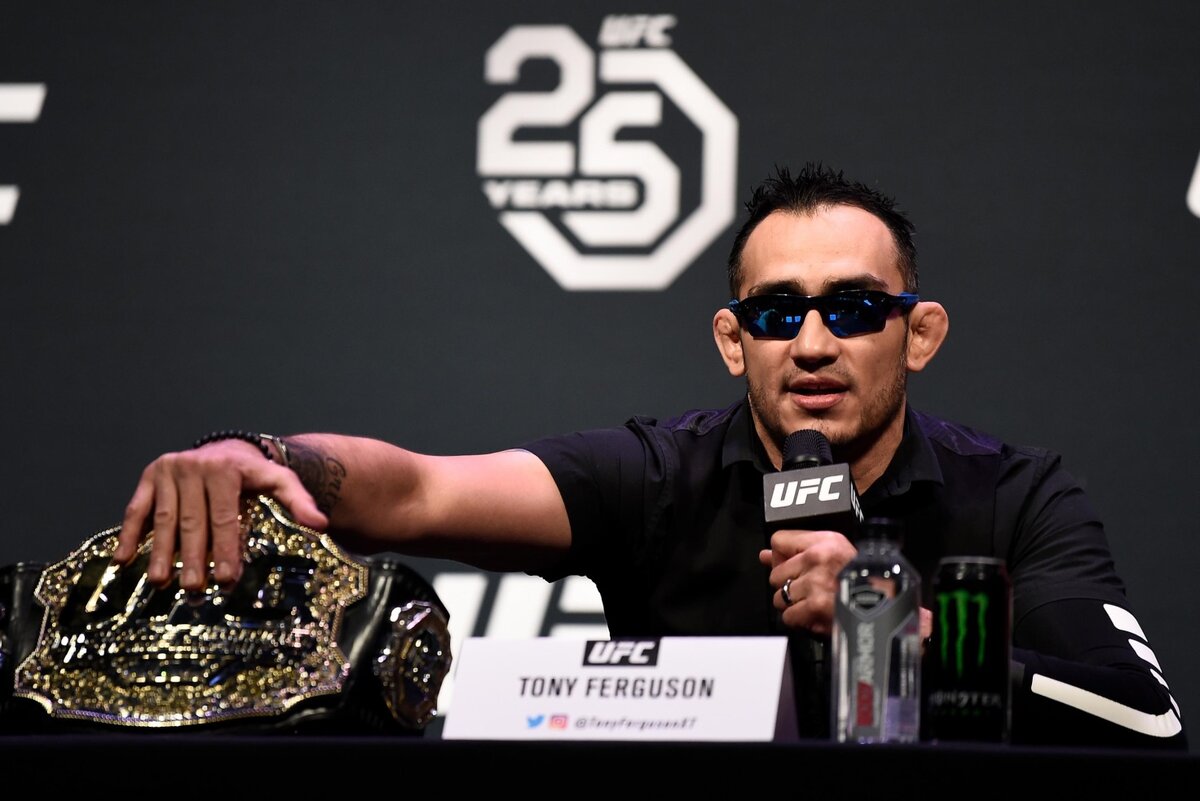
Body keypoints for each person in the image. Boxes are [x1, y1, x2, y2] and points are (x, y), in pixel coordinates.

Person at [116, 163, 1187, 750]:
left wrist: (907, 631)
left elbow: (1142, 716)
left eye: (856, 309)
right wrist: (257, 453)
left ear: (920, 334)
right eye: (777, 314)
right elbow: (419, 489)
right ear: (733, 341)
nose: (814, 344)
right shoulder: (656, 476)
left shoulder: (1017, 493)